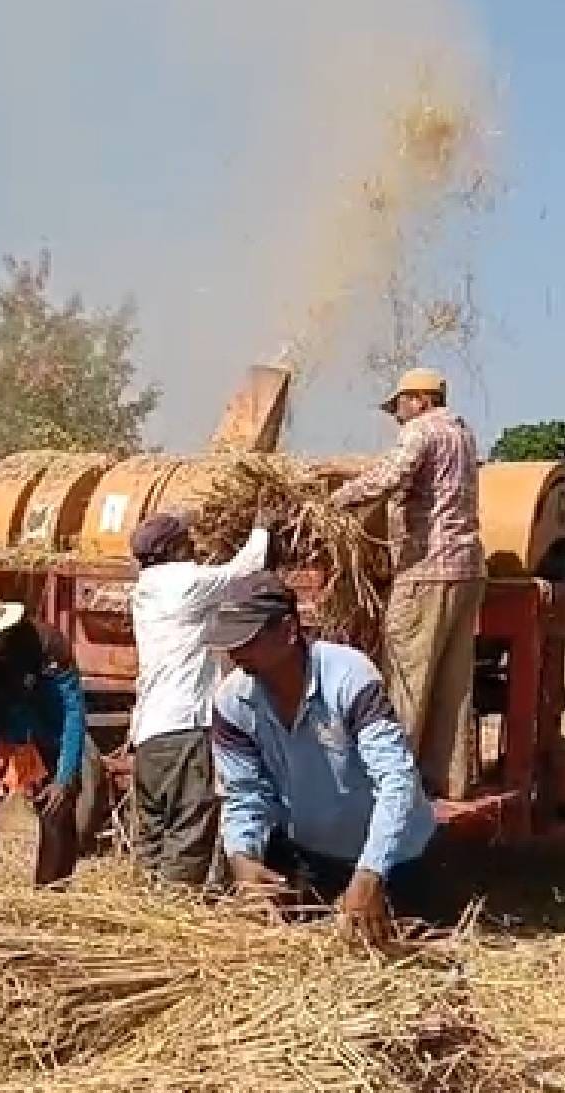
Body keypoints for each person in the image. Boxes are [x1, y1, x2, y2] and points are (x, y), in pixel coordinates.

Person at [210, 572, 435, 942]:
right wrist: (243, 860)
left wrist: (370, 873)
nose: (235, 654)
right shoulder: (232, 702)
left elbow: (396, 781)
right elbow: (244, 793)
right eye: (230, 643)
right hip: (315, 859)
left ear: (287, 630)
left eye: (247, 640)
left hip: (396, 861)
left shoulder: (349, 677)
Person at [333, 368, 485, 800]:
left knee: (407, 678)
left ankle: (391, 786)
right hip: (468, 569)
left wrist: (334, 500)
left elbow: (389, 477)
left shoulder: (421, 430)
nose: (398, 417)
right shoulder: (463, 432)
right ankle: (446, 780)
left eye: (399, 406)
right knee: (453, 685)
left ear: (418, 399)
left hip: (426, 570)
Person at [130, 511, 269, 885]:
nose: (193, 546)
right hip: (184, 727)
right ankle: (172, 914)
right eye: (186, 541)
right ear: (174, 548)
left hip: (149, 734)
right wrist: (261, 527)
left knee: (154, 832)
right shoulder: (184, 583)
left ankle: (144, 905)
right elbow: (246, 570)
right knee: (189, 829)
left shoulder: (145, 587)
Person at [0, 582, 103, 885]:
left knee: (57, 813)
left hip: (49, 732)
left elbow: (73, 711)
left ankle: (50, 894)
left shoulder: (45, 644)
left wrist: (65, 777)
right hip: (0, 737)